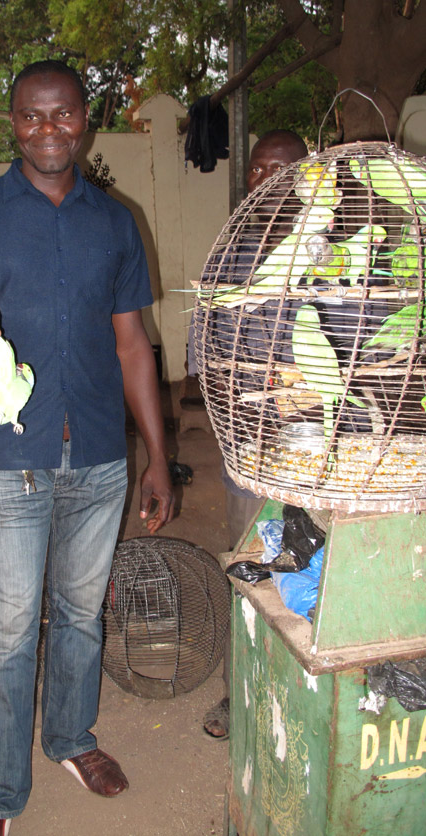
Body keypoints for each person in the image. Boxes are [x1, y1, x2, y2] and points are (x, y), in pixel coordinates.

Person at [0, 60, 174, 836]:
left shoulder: (115, 222)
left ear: (86, 119)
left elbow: (132, 347)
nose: (47, 130)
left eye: (63, 116)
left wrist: (156, 455)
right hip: (7, 460)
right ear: (10, 123)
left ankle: (71, 739)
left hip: (97, 453)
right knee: (11, 628)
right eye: (31, 117)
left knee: (82, 614)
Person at [188, 129, 308, 740]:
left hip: (318, 447)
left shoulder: (331, 247)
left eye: (280, 170)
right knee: (247, 565)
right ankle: (239, 693)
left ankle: (301, 695)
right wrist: (234, 394)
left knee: (310, 566)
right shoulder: (231, 249)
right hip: (247, 445)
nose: (265, 181)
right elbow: (200, 347)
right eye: (257, 171)